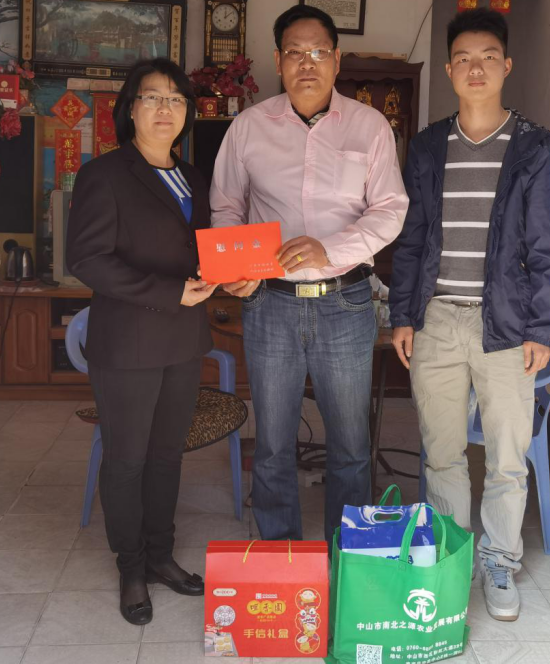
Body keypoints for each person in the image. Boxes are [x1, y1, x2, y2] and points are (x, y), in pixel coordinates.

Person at [389, 8, 550, 621]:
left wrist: (541, 327)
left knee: (506, 458)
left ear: (506, 66)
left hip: (509, 325)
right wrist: (404, 314)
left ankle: (499, 561)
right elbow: (412, 237)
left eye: (488, 57)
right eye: (463, 58)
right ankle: (449, 559)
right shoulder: (428, 146)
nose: (476, 68)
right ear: (448, 69)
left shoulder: (535, 147)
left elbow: (548, 245)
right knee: (441, 453)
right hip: (438, 319)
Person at [210, 5, 408, 546]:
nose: (307, 63)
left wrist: (329, 249)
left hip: (345, 302)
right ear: (278, 60)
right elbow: (226, 206)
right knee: (274, 443)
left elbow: (390, 210)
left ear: (337, 59)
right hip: (269, 302)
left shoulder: (369, 127)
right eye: (295, 52)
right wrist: (236, 268)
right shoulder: (249, 127)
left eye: (319, 51)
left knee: (350, 445)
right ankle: (280, 558)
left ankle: (349, 557)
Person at [66, 58, 216, 625]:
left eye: (176, 99)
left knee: (166, 456)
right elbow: (87, 259)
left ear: (187, 112)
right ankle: (130, 566)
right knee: (127, 460)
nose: (164, 109)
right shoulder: (104, 174)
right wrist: (169, 291)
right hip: (128, 342)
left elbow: (202, 251)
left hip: (183, 340)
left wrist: (233, 272)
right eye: (152, 97)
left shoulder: (194, 177)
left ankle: (160, 555)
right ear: (130, 109)